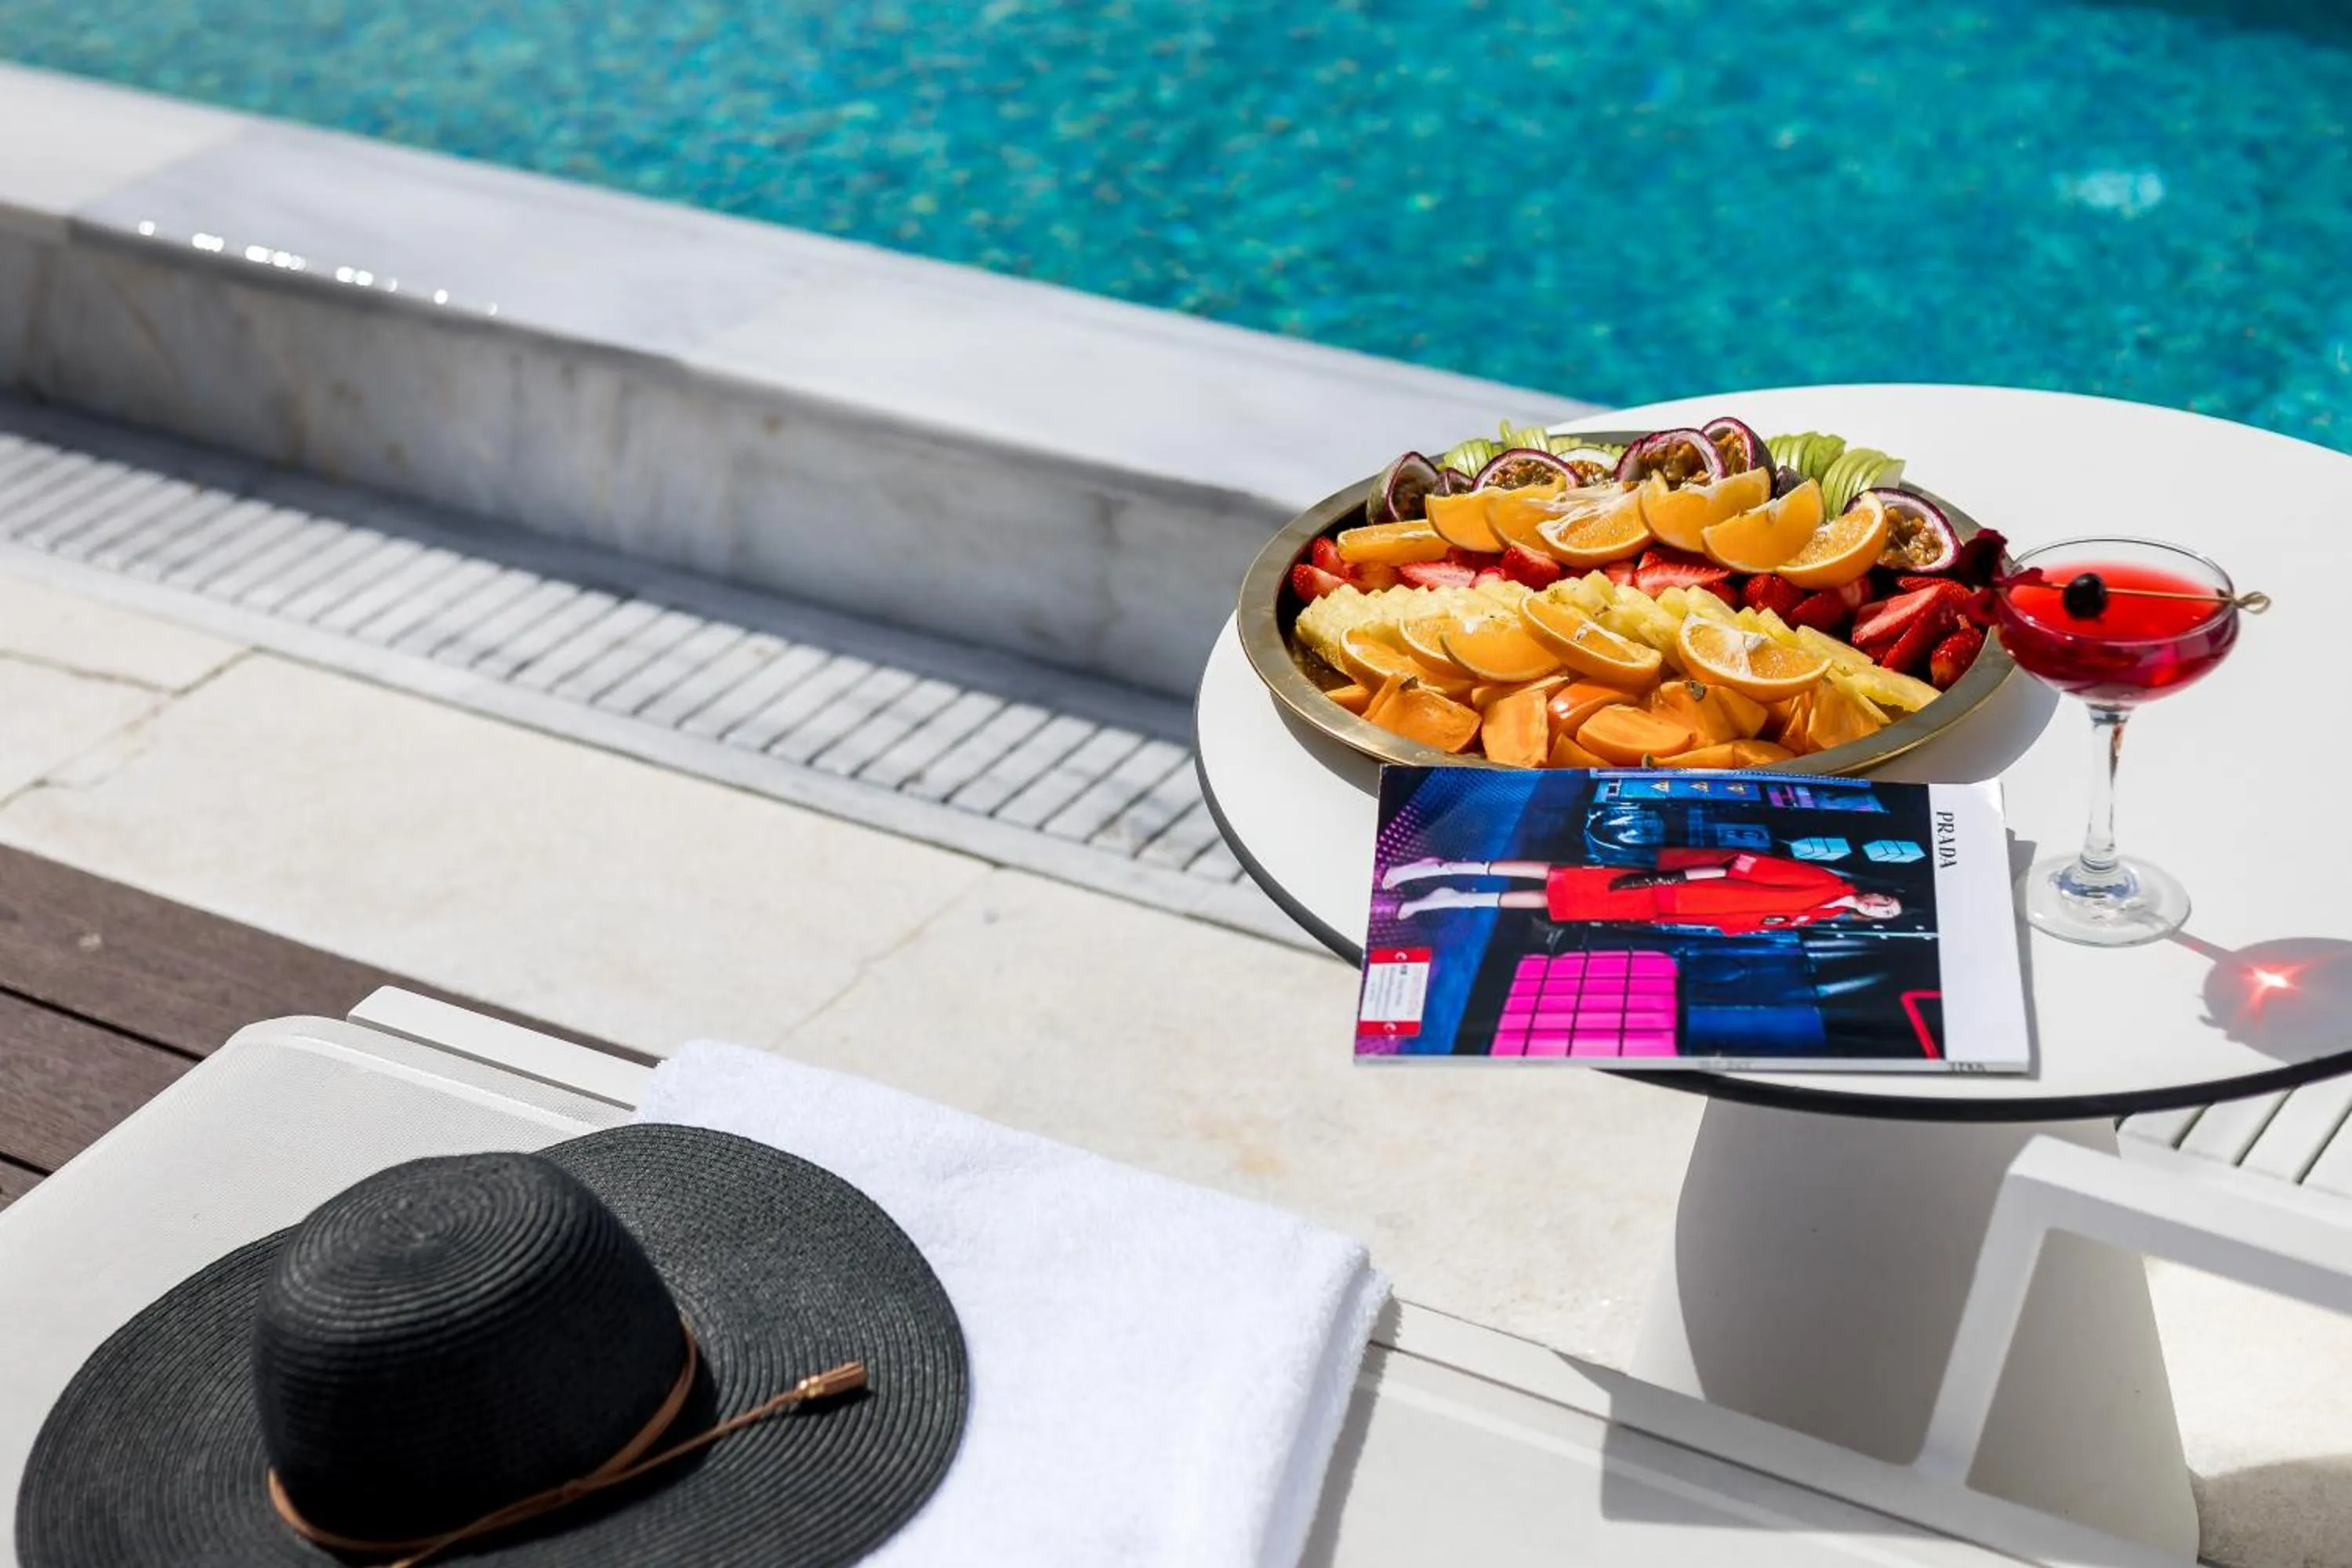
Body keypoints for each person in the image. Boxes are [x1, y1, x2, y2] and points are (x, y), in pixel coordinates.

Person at [1385, 847, 1901, 935]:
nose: (1879, 907)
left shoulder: (1823, 915)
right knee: (1564, 876)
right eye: (1887, 901)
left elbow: (1742, 921)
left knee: (1565, 902)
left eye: (1883, 914)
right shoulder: (1829, 884)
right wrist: (1680, 878)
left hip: (1671, 909)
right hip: (1680, 887)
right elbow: (1755, 869)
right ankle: (1447, 865)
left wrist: (1674, 916)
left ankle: (1455, 898)